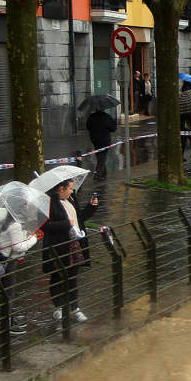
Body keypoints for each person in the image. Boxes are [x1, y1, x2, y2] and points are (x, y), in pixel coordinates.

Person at [40, 178, 98, 323]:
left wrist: (91, 207)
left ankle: (74, 308)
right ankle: (58, 308)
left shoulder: (71, 199)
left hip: (75, 243)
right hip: (58, 246)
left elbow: (79, 218)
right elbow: (45, 226)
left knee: (73, 276)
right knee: (57, 277)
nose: (72, 191)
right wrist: (66, 224)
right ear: (61, 188)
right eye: (70, 188)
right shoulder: (48, 203)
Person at [85, 107, 117, 179]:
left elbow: (87, 126)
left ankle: (104, 174)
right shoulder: (106, 116)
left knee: (100, 156)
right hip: (105, 140)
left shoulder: (91, 116)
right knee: (102, 157)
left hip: (95, 140)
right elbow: (113, 128)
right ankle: (98, 174)